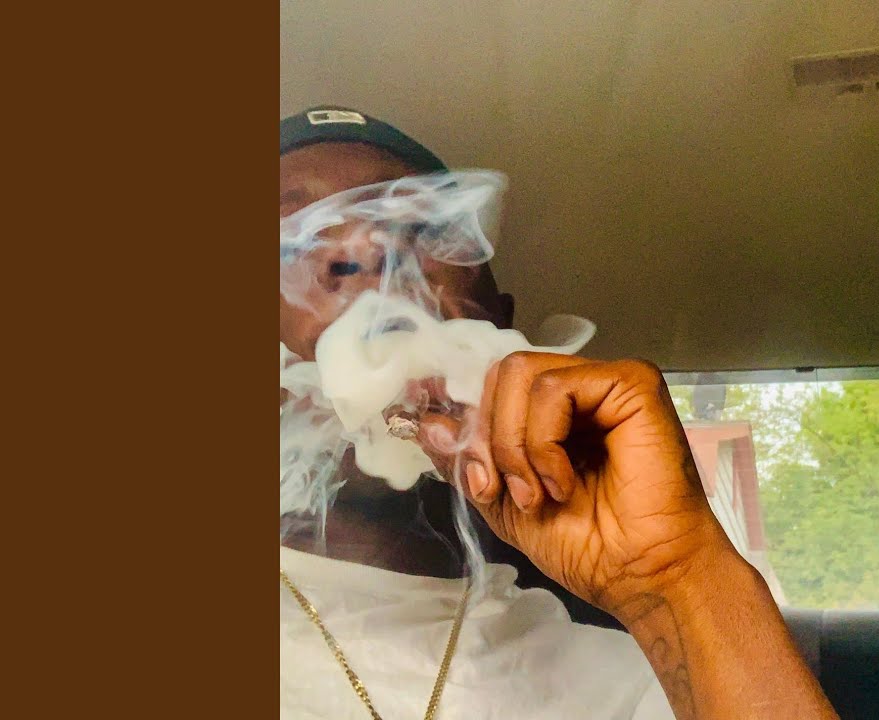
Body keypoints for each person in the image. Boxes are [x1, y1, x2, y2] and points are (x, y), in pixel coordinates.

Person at [279, 106, 839, 720]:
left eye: (420, 227)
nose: (365, 249)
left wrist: (677, 574)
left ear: (501, 328)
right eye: (288, 240)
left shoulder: (634, 681)